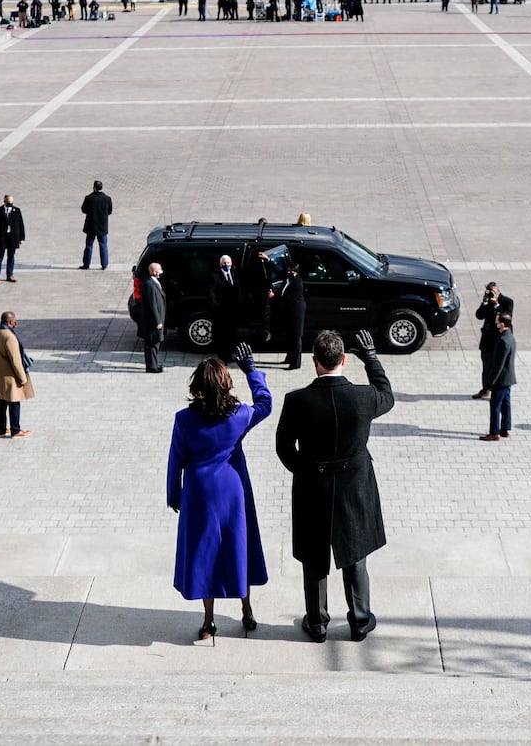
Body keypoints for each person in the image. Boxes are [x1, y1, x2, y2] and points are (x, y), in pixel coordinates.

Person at [275, 329, 394, 643]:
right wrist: (371, 358)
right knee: (355, 556)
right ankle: (360, 621)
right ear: (343, 359)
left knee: (314, 559)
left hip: (313, 489)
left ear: (314, 362)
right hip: (354, 488)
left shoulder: (297, 400)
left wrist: (308, 471)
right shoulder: (364, 397)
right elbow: (387, 394)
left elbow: (284, 447)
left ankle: (317, 623)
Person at [168, 345, 271, 640]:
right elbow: (265, 403)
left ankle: (209, 621)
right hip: (233, 488)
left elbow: (176, 459)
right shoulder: (239, 415)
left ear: (197, 386)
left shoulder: (184, 419)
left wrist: (174, 494)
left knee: (205, 552)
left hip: (199, 492)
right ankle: (247, 610)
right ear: (226, 385)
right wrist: (251, 369)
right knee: (240, 545)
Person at [0, 310, 34, 437]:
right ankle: (15, 429)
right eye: (15, 322)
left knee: (2, 401)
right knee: (14, 401)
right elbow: (16, 360)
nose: (15, 325)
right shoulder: (10, 337)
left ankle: (1, 429)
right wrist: (22, 378)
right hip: (9, 375)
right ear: (9, 321)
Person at [471, 282, 514, 399]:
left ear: (498, 291)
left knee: (500, 366)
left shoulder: (507, 302)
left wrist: (496, 304)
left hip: (500, 340)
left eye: (493, 291)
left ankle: (498, 390)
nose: (491, 294)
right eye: (489, 291)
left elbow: (507, 316)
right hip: (487, 340)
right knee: (486, 366)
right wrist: (484, 302)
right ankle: (485, 390)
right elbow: (479, 315)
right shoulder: (487, 302)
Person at [479, 312, 517, 441]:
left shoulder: (502, 341)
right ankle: (505, 429)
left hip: (500, 380)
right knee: (506, 404)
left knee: (495, 406)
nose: (495, 323)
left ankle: (494, 432)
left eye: (497, 321)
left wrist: (490, 383)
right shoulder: (510, 336)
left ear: (502, 324)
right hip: (509, 378)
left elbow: (498, 365)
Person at [209, 254, 242, 362]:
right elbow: (211, 292)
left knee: (232, 334)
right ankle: (223, 357)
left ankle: (229, 354)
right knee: (222, 335)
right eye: (224, 263)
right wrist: (215, 304)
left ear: (231, 264)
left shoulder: (234, 274)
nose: (226, 265)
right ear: (220, 264)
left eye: (228, 263)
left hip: (233, 310)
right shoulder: (215, 276)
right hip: (221, 311)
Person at [273, 261, 305, 369]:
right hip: (289, 312)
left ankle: (295, 363)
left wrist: (274, 296)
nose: (290, 272)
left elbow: (288, 298)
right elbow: (278, 271)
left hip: (296, 313)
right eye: (289, 270)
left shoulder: (296, 283)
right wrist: (268, 260)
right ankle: (290, 358)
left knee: (296, 337)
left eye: (292, 271)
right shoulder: (288, 278)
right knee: (290, 336)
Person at [0, 193, 26, 285]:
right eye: (8, 202)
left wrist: (21, 237)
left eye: (11, 202)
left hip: (12, 238)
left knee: (11, 257)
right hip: (1, 238)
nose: (10, 203)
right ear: (4, 201)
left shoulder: (16, 211)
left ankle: (10, 275)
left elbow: (21, 224)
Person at [141, 262, 167, 374]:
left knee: (154, 344)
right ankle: (152, 367)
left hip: (155, 320)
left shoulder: (153, 283)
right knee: (152, 344)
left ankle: (154, 364)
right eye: (159, 270)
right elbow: (152, 305)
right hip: (153, 322)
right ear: (154, 272)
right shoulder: (150, 285)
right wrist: (158, 321)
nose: (161, 272)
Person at [80, 180, 112, 270]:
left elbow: (83, 210)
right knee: (103, 245)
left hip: (91, 226)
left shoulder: (88, 198)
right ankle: (104, 264)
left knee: (89, 245)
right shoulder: (107, 198)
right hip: (102, 226)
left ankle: (86, 264)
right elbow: (109, 211)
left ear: (94, 187)